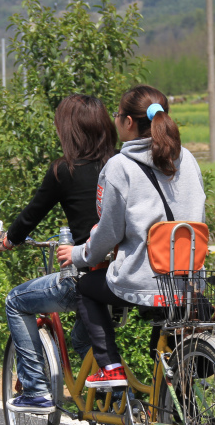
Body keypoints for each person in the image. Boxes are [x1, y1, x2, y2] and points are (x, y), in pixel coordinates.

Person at [58, 85, 205, 389]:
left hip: (143, 278)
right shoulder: (187, 159)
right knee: (165, 325)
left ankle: (111, 368)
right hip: (187, 279)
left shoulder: (120, 166)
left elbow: (109, 232)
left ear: (127, 122)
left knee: (86, 287)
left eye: (117, 114)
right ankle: (174, 411)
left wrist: (77, 254)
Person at [0, 93, 116, 413]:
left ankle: (35, 389)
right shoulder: (120, 165)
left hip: (84, 275)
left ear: (69, 130)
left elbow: (31, 216)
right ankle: (103, 395)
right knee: (81, 339)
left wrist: (5, 241)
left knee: (15, 301)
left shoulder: (64, 170)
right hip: (122, 276)